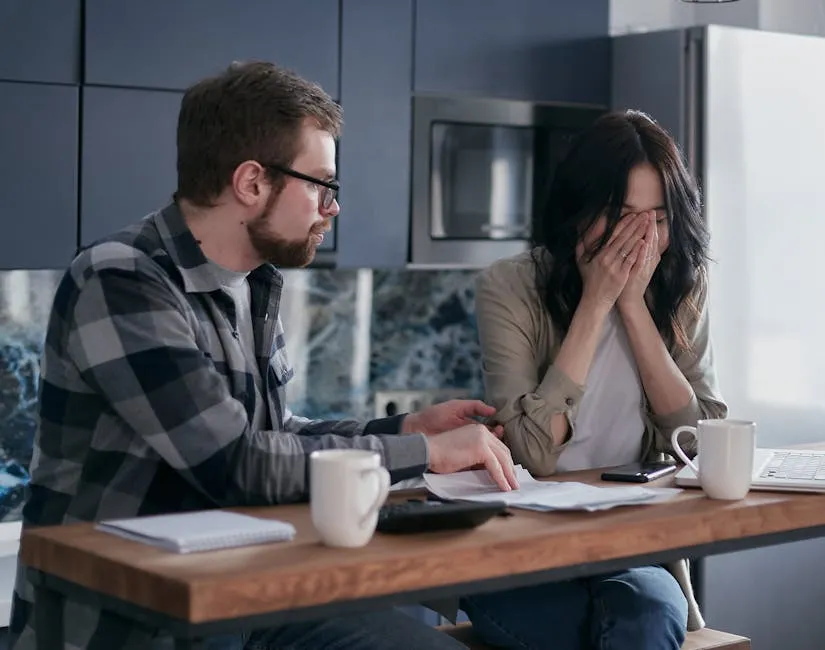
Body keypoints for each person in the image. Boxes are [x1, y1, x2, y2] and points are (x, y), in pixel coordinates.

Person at [8, 61, 519, 650]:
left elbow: (274, 433)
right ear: (252, 183)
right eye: (322, 185)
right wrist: (425, 451)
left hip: (245, 600)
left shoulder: (251, 282)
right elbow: (237, 464)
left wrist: (400, 426)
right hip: (133, 624)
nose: (333, 207)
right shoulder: (121, 280)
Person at [464, 110, 728, 650]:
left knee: (649, 614)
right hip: (519, 546)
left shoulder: (680, 285)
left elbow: (702, 446)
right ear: (578, 212)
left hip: (628, 548)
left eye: (657, 218)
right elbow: (531, 453)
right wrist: (597, 302)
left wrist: (633, 308)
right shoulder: (509, 287)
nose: (641, 237)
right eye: (621, 215)